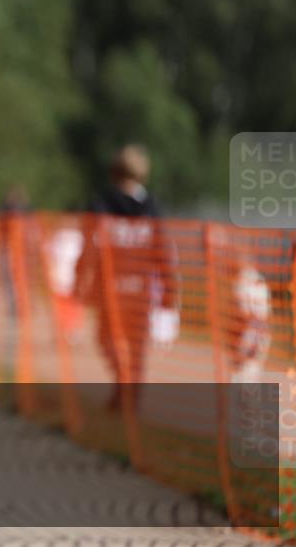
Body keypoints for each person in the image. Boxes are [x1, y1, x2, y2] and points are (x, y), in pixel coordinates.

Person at [75, 144, 176, 411]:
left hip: (112, 287)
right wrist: (169, 291)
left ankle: (125, 390)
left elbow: (87, 246)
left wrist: (79, 279)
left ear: (114, 172)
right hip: (141, 289)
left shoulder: (101, 204)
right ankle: (128, 390)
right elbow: (164, 252)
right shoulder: (152, 208)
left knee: (108, 340)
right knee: (135, 346)